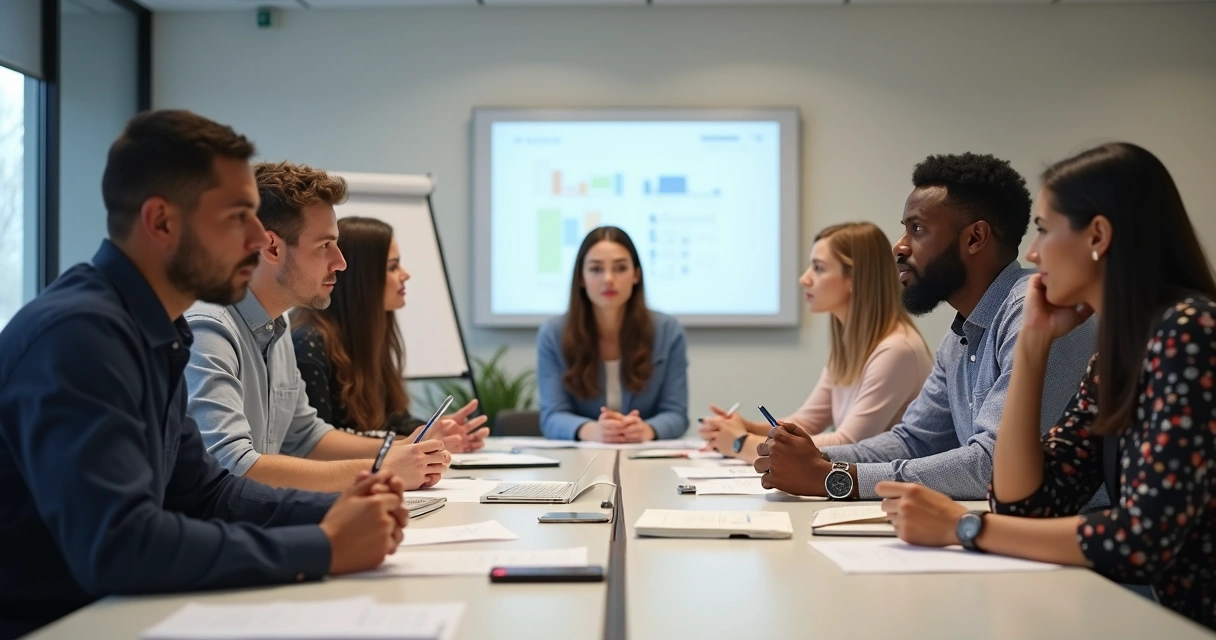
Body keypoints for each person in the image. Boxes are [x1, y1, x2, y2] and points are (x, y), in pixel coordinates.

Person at [0, 111, 406, 638]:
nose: (260, 237)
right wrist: (324, 544)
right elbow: (122, 546)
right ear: (162, 222)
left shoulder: (156, 328)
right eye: (239, 216)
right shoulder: (81, 337)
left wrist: (340, 510)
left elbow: (206, 492)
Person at [876, 143, 1215, 630]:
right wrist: (1033, 347)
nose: (1032, 253)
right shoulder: (1123, 350)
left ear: (1097, 235)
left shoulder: (1187, 332)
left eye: (1044, 230)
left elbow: (1143, 536)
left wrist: (965, 527)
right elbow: (1025, 502)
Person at [755, 153, 1097, 500]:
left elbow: (992, 465)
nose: (900, 247)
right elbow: (914, 440)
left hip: (1066, 540)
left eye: (916, 229)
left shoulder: (1034, 313)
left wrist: (832, 477)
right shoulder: (961, 335)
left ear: (975, 238)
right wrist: (816, 458)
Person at [183, 162, 452, 493]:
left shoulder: (275, 325)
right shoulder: (208, 331)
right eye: (324, 245)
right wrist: (382, 468)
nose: (341, 261)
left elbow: (306, 436)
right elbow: (233, 467)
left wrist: (398, 451)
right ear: (271, 248)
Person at [699, 222, 933, 462]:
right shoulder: (850, 345)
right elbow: (806, 423)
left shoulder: (897, 350)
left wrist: (741, 443)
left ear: (855, 278)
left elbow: (849, 444)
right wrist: (745, 428)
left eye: (818, 268)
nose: (804, 279)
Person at [292, 216, 487, 451]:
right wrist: (416, 441)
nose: (405, 274)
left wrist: (436, 430)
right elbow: (320, 442)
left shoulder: (368, 337)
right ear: (363, 278)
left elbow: (393, 419)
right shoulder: (309, 342)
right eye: (393, 267)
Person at [538, 226, 689, 442]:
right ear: (581, 277)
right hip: (583, 459)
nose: (608, 279)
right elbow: (552, 416)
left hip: (644, 457)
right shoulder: (553, 333)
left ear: (636, 275)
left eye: (620, 268)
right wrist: (593, 431)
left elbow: (676, 414)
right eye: (596, 269)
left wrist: (647, 430)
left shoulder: (668, 331)